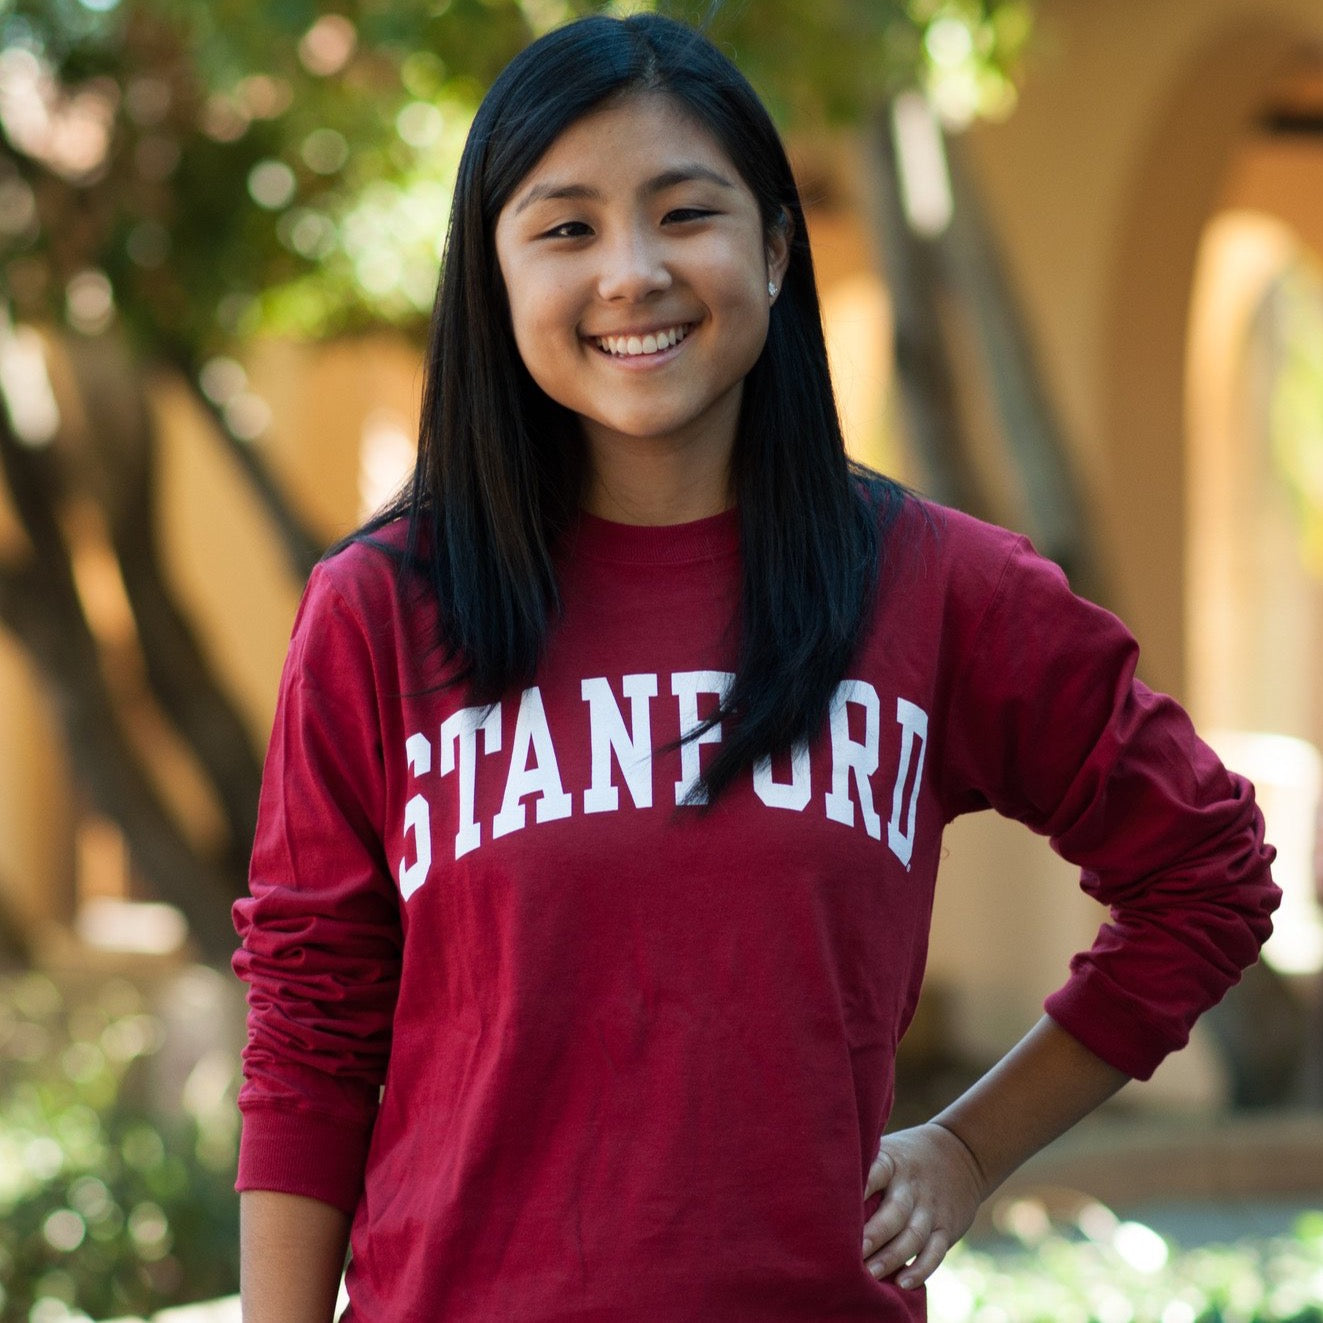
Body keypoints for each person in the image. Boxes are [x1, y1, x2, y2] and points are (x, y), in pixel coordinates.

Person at [232, 13, 1279, 1321]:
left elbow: (1208, 874)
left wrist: (968, 1146)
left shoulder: (936, 587)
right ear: (492, 277)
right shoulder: (380, 613)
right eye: (565, 229)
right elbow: (311, 1035)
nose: (631, 274)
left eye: (685, 214)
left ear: (775, 248)